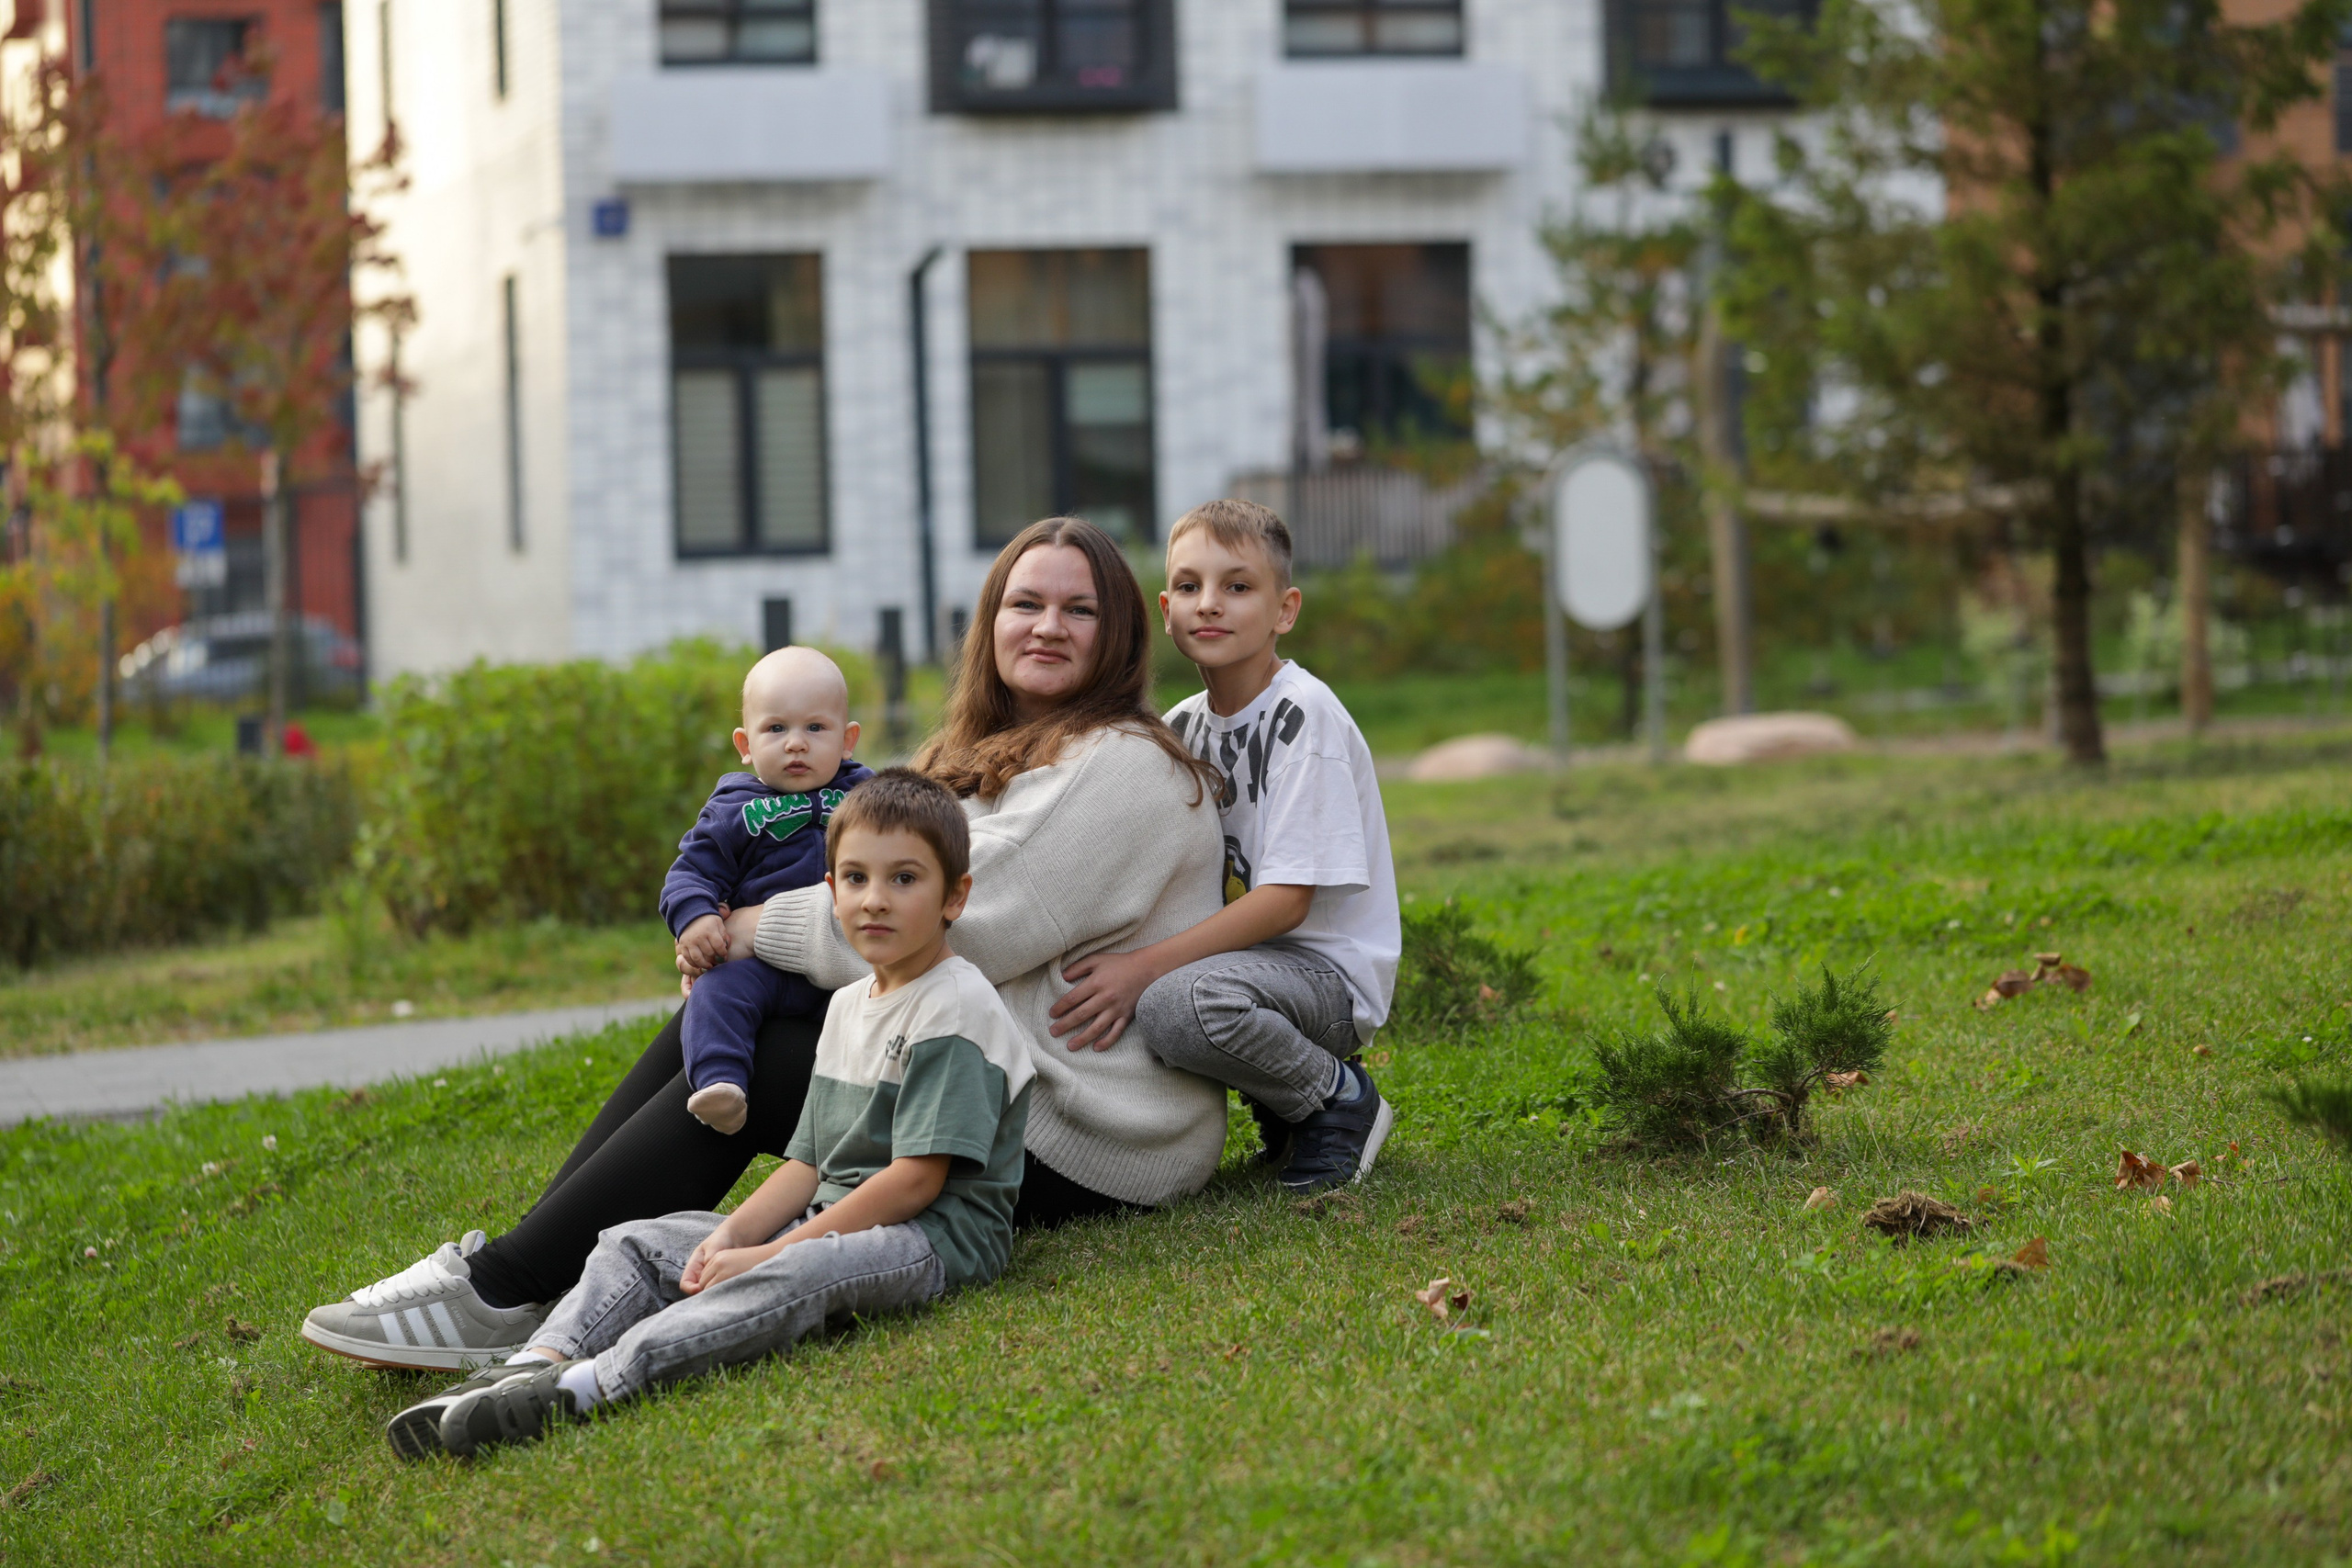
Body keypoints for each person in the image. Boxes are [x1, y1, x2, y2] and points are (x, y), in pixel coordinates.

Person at [298, 516, 1227, 1371]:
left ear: (1120, 637)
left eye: (1080, 609)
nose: (1047, 626)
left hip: (1085, 1132)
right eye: (1025, 603)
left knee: (784, 1049)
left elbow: (974, 923)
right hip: (977, 1082)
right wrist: (723, 937)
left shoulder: (1126, 765)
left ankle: (503, 1286)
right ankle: (513, 1271)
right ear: (990, 621)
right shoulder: (984, 753)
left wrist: (746, 926)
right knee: (730, 1018)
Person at [384, 771, 1034, 1461]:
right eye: (854, 877)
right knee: (636, 1240)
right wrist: (730, 1238)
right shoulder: (846, 1005)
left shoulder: (954, 1006)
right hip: (828, 1215)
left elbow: (915, 1183)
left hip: (931, 1241)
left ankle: (589, 1384)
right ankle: (531, 1363)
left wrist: (770, 1251)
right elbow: (808, 1163)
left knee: (785, 1277)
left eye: (904, 878)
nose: (874, 900)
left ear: (955, 896)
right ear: (830, 888)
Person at [1049, 499, 1399, 1194]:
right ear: (1166, 608)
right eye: (1188, 586)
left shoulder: (1306, 715)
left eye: (1237, 587)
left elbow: (1286, 903)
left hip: (1323, 977)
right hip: (1241, 969)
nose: (1209, 604)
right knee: (1123, 991)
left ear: (1285, 608)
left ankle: (1337, 1101)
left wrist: (1142, 967)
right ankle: (1283, 1103)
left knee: (1174, 1004)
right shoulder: (1183, 726)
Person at [663, 646, 872, 1135]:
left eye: (815, 728)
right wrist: (697, 919)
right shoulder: (733, 808)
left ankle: (865, 1103)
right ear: (746, 743)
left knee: (875, 1013)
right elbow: (690, 872)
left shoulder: (867, 794)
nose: (795, 744)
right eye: (776, 729)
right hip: (759, 964)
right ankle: (720, 1083)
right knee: (714, 995)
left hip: (844, 962)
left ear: (848, 739)